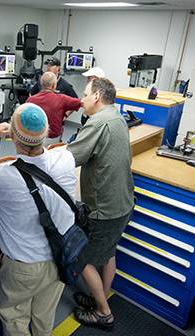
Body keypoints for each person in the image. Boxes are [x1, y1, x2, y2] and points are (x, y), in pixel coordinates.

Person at [0, 103, 76, 336]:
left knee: (15, 319)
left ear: (11, 136)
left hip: (23, 267)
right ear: (47, 132)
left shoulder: (1, 177)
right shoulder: (65, 159)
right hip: (60, 255)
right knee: (44, 317)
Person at [67, 78, 134, 329]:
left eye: (85, 95)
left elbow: (71, 157)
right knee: (108, 254)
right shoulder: (117, 117)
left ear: (96, 96)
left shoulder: (98, 122)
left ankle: (104, 314)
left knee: (81, 259)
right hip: (123, 204)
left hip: (104, 209)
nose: (81, 100)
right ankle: (99, 299)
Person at [26, 72, 82, 142]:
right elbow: (81, 102)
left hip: (34, 139)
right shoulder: (62, 99)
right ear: (54, 85)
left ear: (41, 84)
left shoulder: (30, 100)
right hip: (53, 139)